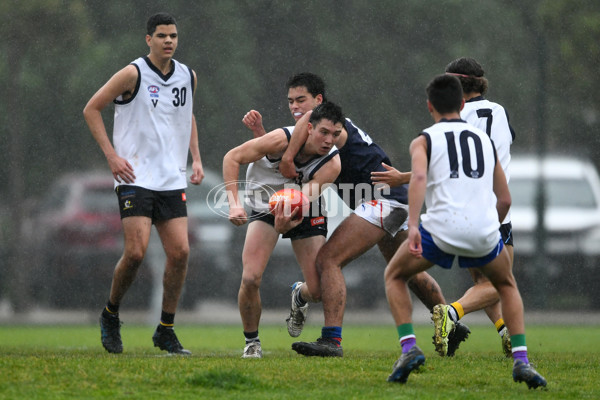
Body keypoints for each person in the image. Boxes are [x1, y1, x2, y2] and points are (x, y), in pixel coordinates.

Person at [244, 72, 460, 357]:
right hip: (393, 202)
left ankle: (331, 339)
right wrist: (271, 145)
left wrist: (286, 158)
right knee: (407, 271)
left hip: (383, 200)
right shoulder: (314, 133)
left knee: (329, 259)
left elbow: (300, 141)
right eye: (291, 102)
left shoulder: (332, 128)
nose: (295, 108)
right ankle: (450, 325)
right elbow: (287, 159)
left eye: (302, 101)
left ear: (319, 101)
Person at [384, 74, 546, 389]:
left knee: (394, 276)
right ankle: (522, 362)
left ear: (430, 105)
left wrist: (414, 226)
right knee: (506, 284)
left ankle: (409, 350)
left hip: (440, 228)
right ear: (462, 103)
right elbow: (505, 199)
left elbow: (418, 180)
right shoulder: (485, 141)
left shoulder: (424, 139)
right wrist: (488, 230)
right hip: (484, 229)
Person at [83, 12, 204, 355]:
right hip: (135, 176)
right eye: (162, 35)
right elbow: (91, 109)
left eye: (174, 36)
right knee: (135, 253)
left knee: (180, 252)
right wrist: (112, 157)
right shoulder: (132, 73)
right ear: (148, 39)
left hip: (170, 178)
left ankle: (165, 329)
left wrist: (196, 158)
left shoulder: (187, 76)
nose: (169, 41)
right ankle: (110, 314)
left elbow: (188, 115)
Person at [224, 102, 344, 358]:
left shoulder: (332, 163)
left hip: (302, 207)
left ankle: (298, 295)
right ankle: (252, 342)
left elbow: (304, 197)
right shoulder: (280, 139)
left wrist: (288, 213)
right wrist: (234, 204)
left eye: (335, 135)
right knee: (250, 278)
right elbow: (231, 157)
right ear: (309, 129)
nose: (328, 140)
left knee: (319, 291)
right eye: (324, 132)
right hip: (263, 207)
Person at [429, 57, 517, 357]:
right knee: (502, 280)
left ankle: (506, 332)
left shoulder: (455, 117)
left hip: (465, 206)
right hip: (494, 208)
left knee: (484, 281)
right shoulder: (499, 111)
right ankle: (452, 313)